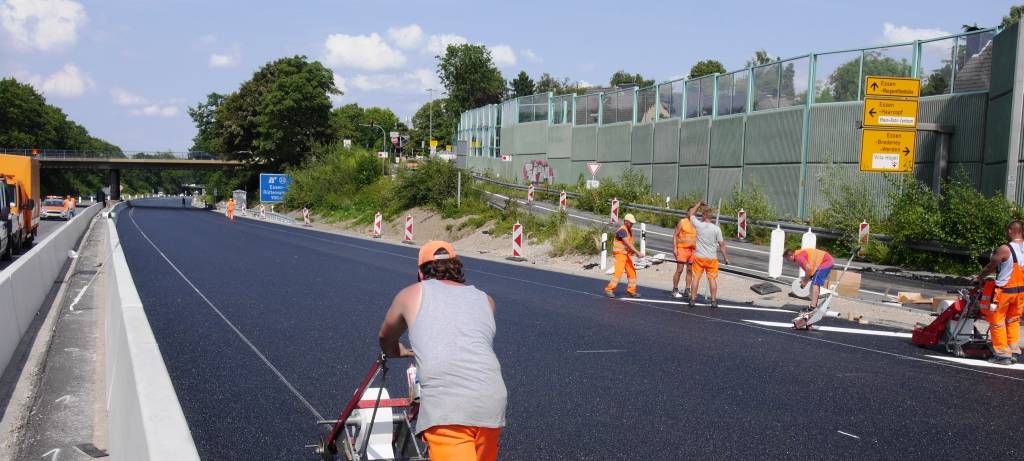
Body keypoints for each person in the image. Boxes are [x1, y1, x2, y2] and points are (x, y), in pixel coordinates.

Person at [378, 241, 507, 461]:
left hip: (448, 406)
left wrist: (396, 351)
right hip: (491, 401)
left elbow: (386, 338)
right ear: (457, 268)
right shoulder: (486, 300)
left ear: (420, 272)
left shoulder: (410, 295)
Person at [973, 220, 1024, 365]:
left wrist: (979, 278)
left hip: (1005, 292)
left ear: (1010, 231)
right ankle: (1013, 351)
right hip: (1021, 293)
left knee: (997, 320)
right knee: (1013, 320)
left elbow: (991, 266)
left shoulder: (1005, 249)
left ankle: (1002, 354)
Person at [687, 201, 730, 308]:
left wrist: (698, 204)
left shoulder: (699, 225)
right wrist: (726, 258)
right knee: (712, 279)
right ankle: (714, 301)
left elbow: (691, 214)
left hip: (699, 257)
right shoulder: (716, 229)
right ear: (711, 217)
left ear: (704, 216)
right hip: (712, 258)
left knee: (696, 278)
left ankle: (693, 299)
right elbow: (722, 245)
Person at [785, 247, 834, 325]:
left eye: (787, 259)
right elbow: (809, 270)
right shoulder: (799, 254)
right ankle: (814, 303)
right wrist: (806, 279)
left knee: (815, 283)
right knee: (814, 281)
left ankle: (813, 306)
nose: (788, 261)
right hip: (825, 261)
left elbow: (808, 268)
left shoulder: (799, 257)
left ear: (790, 256)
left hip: (825, 262)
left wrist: (805, 281)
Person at [605, 214, 642, 298]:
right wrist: (637, 252)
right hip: (620, 254)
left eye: (632, 223)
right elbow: (627, 243)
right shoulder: (622, 230)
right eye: (630, 223)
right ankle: (609, 289)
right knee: (618, 272)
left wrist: (633, 252)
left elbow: (629, 244)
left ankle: (631, 291)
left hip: (626, 254)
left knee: (632, 272)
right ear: (625, 222)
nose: (632, 224)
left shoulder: (629, 230)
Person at [672, 207, 698, 299]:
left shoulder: (696, 224)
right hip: (682, 249)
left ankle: (687, 289)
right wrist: (675, 248)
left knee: (690, 270)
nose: (692, 213)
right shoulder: (682, 222)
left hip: (693, 250)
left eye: (693, 212)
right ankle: (675, 289)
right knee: (679, 270)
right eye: (690, 212)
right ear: (687, 213)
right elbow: (675, 235)